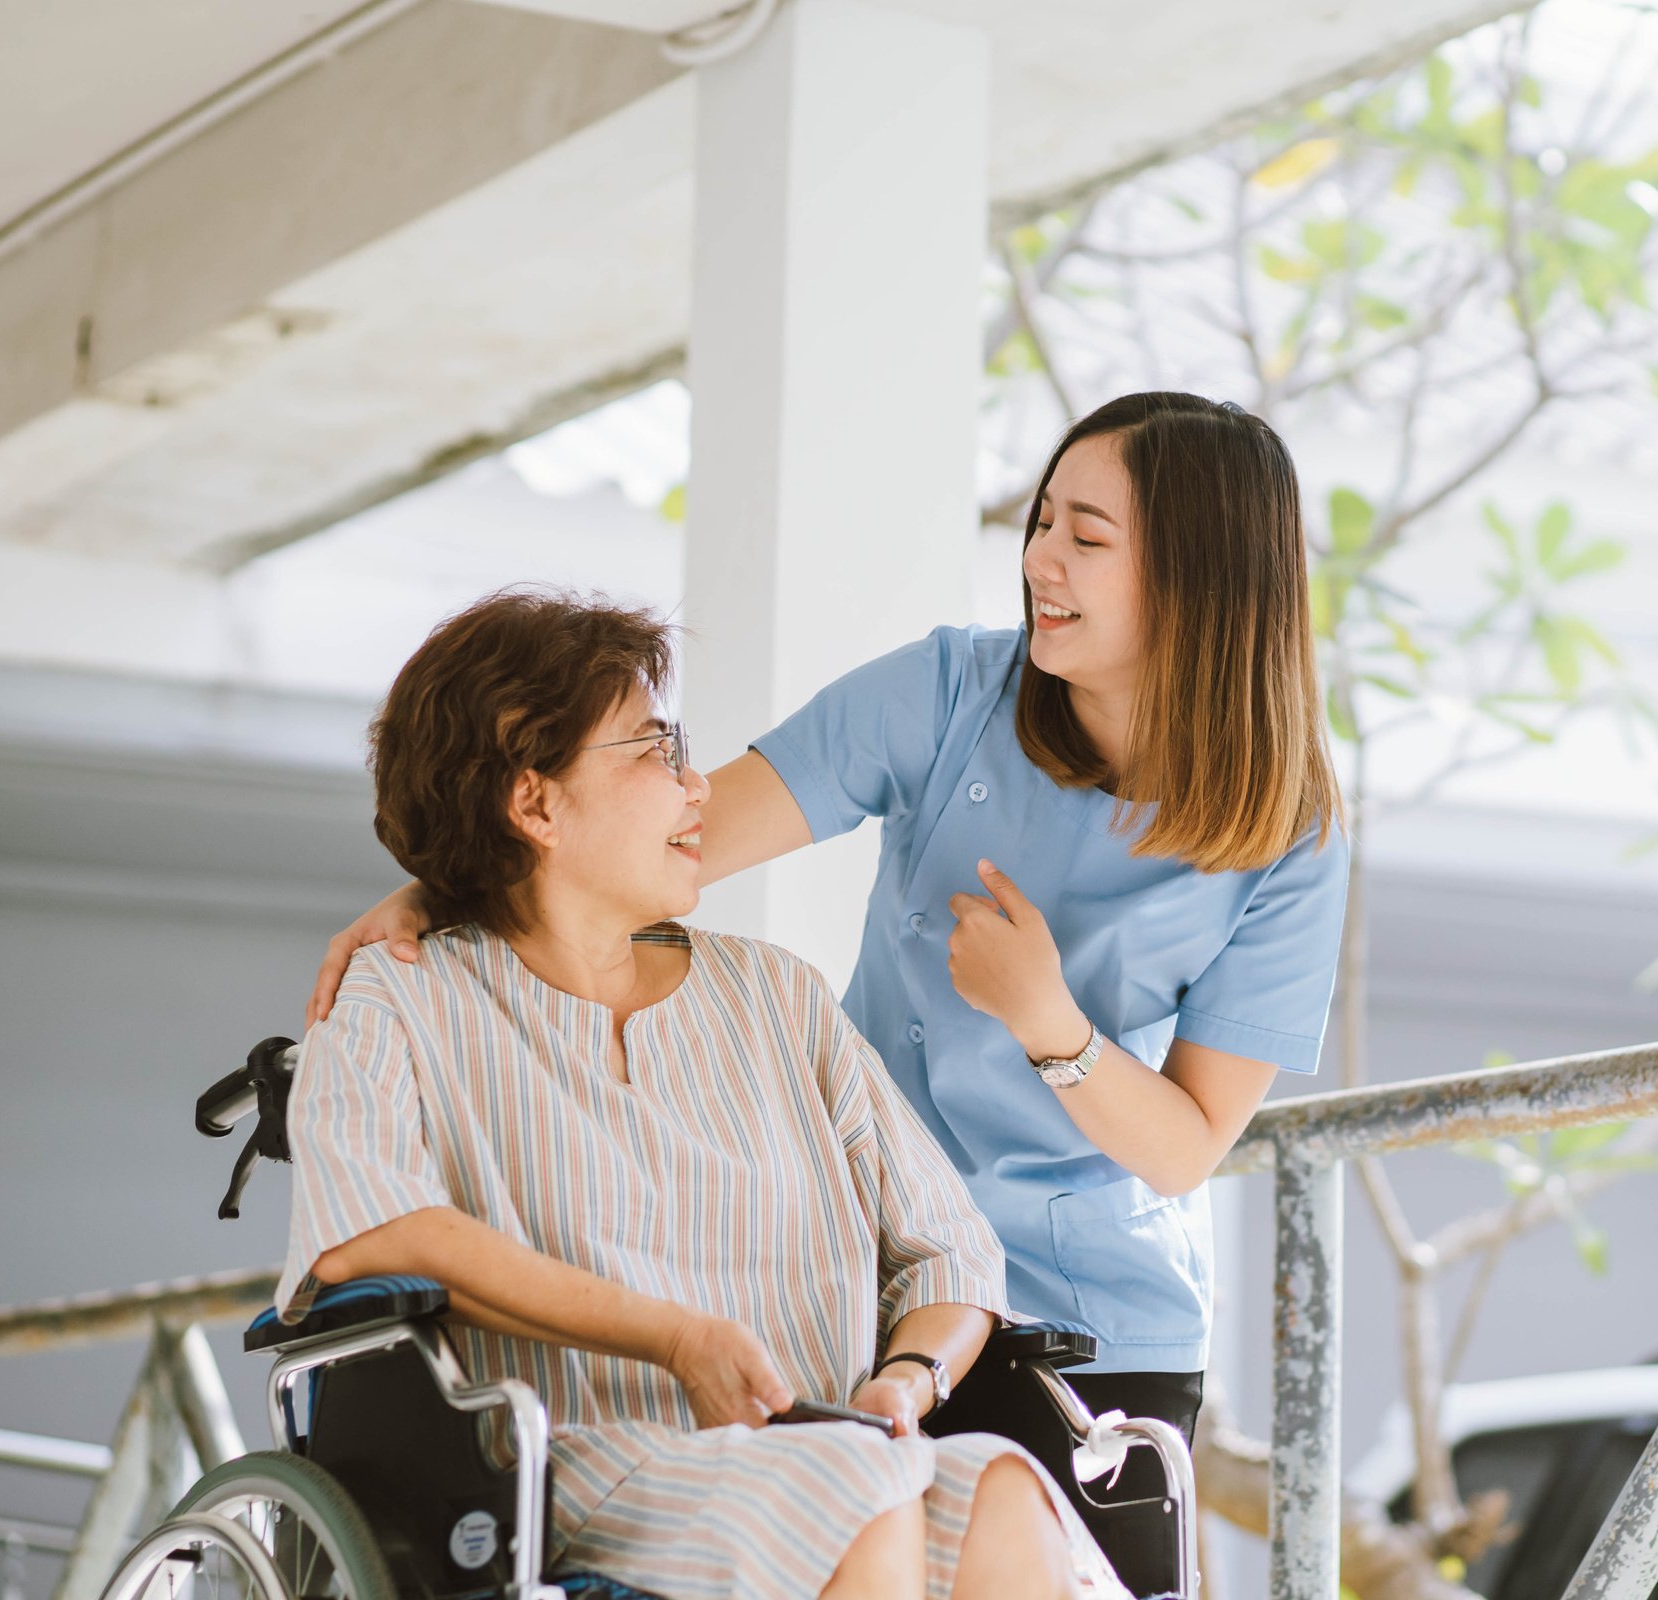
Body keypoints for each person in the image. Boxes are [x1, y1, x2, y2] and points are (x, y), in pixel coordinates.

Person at [307, 392, 1349, 1594]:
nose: (1037, 561)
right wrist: (452, 884)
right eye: (1040, 520)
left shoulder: (1289, 833)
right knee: (858, 1501)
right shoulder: (951, 694)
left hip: (1093, 1310)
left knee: (1020, 1528)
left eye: (1086, 538)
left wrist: (1045, 1018)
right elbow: (658, 850)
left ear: (1201, 581)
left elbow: (1184, 1149)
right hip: (869, 1289)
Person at [281, 591, 1126, 1600]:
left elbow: (950, 1249)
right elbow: (375, 1232)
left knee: (996, 1490)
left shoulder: (775, 996)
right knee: (850, 1488)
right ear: (535, 803)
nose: (695, 787)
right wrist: (673, 1336)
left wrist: (910, 1380)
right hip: (573, 1467)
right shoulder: (399, 995)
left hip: (833, 1444)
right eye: (653, 750)